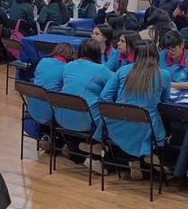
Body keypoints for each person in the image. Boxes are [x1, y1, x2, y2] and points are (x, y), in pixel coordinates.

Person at [100, 42, 169, 180]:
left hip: (117, 124)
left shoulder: (123, 70)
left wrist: (115, 110)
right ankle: (147, 155)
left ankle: (133, 160)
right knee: (164, 124)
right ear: (156, 56)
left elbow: (104, 96)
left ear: (135, 55)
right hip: (146, 127)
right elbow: (164, 100)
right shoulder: (163, 74)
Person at [58, 39, 115, 172]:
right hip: (85, 121)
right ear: (97, 53)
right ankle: (99, 151)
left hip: (61, 117)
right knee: (112, 114)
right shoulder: (101, 69)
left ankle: (75, 147)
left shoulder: (68, 66)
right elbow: (114, 85)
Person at [28, 43, 75, 150]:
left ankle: (47, 136)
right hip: (51, 112)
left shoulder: (43, 61)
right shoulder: (67, 68)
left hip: (32, 107)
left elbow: (36, 77)